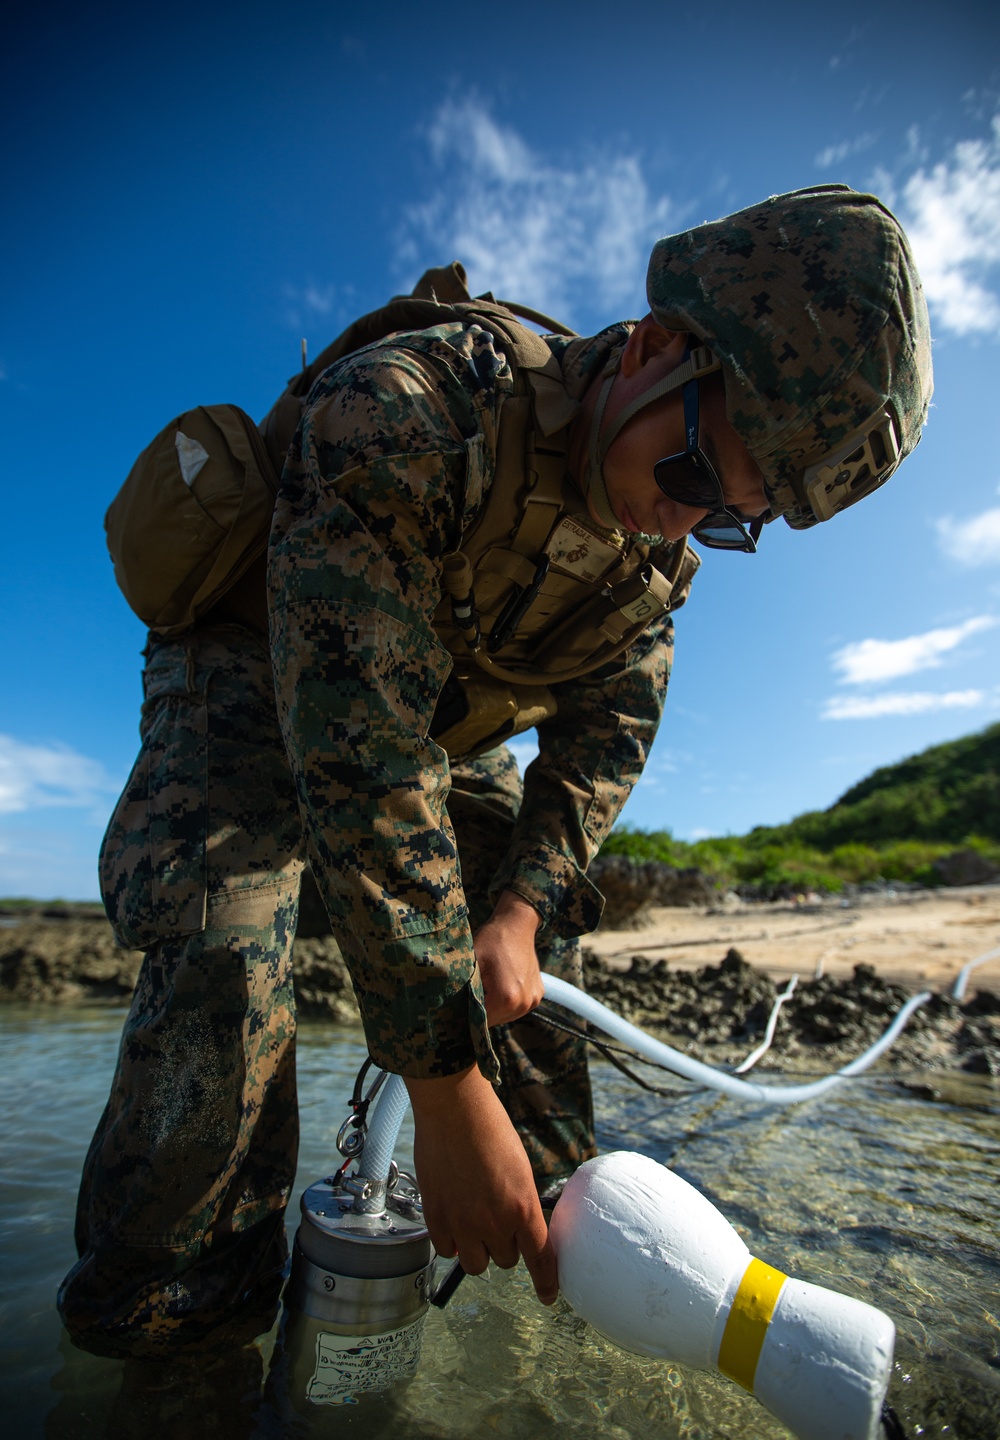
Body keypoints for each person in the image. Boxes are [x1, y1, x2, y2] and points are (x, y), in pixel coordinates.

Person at [59, 184, 932, 1359]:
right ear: (660, 347)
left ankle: (556, 1274)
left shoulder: (652, 566)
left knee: (524, 974)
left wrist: (517, 913)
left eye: (728, 520)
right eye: (690, 477)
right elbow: (358, 753)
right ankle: (166, 1350)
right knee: (225, 944)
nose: (681, 530)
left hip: (419, 719)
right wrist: (442, 1083)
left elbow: (604, 739)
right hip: (262, 672)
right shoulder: (411, 410)